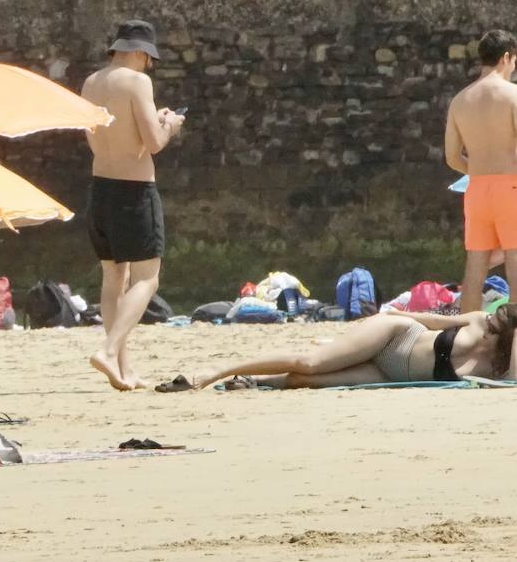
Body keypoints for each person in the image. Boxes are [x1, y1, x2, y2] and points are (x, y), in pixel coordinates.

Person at [80, 21, 183, 391]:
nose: (149, 67)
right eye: (148, 59)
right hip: (135, 191)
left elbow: (104, 138)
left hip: (100, 189)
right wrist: (169, 123)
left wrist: (150, 126)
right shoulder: (138, 82)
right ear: (141, 52)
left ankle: (123, 369)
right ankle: (108, 352)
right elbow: (152, 143)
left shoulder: (90, 84)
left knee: (114, 278)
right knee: (148, 278)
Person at [155, 307, 517, 391]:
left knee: (303, 382)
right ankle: (212, 372)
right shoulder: (478, 319)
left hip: (389, 374)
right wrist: (390, 313)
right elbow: (431, 319)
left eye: (496, 331)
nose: (487, 329)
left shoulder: (506, 368)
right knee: (310, 363)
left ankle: (252, 382)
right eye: (491, 323)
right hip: (395, 336)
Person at [445, 29, 517, 313]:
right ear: (506, 58)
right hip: (511, 187)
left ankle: (465, 335)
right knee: (514, 258)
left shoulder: (460, 101)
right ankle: (514, 336)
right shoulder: (512, 95)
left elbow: (451, 156)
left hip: (476, 189)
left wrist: (475, 170)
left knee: (476, 264)